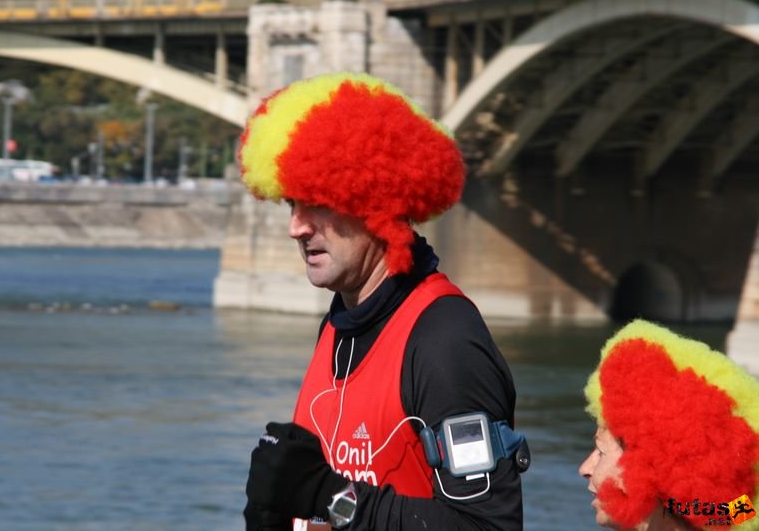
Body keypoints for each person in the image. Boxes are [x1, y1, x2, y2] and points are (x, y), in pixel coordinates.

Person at [239, 72, 524, 530]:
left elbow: (487, 526)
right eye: (291, 203)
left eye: (317, 203)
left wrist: (328, 495)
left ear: (376, 198)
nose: (296, 227)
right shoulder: (338, 324)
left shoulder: (445, 341)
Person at [579, 319, 759, 530]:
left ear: (655, 470)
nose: (584, 469)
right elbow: (743, 512)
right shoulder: (725, 514)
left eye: (601, 452)